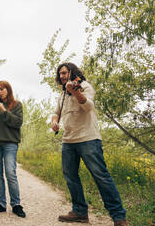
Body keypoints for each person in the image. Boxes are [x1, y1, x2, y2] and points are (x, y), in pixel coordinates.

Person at [51, 62, 128, 226]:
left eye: (65, 73)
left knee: (101, 176)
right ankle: (79, 212)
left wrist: (75, 92)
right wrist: (54, 122)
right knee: (70, 177)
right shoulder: (62, 94)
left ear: (73, 72)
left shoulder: (84, 86)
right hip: (68, 141)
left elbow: (88, 106)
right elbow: (55, 113)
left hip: (88, 139)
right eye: (60, 74)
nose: (62, 76)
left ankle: (119, 217)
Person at [0, 80, 26, 218]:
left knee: (10, 172)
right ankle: (1, 204)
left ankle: (16, 204)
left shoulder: (16, 105)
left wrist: (4, 110)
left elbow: (17, 123)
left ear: (8, 89)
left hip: (10, 143)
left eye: (2, 89)